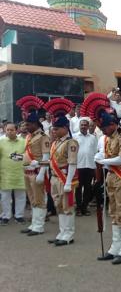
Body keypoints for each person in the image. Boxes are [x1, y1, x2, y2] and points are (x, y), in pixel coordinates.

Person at [86, 93, 121, 265]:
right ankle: (115, 247)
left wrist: (102, 160)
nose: (103, 132)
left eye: (105, 128)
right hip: (111, 177)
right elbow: (106, 154)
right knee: (113, 213)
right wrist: (100, 156)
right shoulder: (108, 138)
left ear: (113, 124)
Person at [45, 98, 79, 246]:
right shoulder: (56, 143)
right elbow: (52, 161)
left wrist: (68, 182)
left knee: (67, 207)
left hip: (65, 177)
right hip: (54, 177)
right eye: (53, 129)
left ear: (65, 128)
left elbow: (72, 163)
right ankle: (62, 232)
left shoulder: (71, 143)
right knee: (59, 206)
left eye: (57, 128)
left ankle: (69, 234)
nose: (54, 131)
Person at [16, 96, 50, 236]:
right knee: (32, 199)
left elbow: (46, 157)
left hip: (37, 172)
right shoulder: (29, 137)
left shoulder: (43, 137)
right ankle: (34, 224)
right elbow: (27, 155)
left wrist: (42, 173)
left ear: (35, 124)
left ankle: (39, 226)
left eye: (28, 125)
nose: (25, 127)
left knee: (39, 199)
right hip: (27, 171)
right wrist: (17, 157)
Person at [0, 123, 26, 225]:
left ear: (17, 130)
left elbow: (27, 156)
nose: (9, 132)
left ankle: (19, 216)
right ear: (5, 131)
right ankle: (6, 215)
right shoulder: (1, 142)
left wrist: (18, 157)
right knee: (5, 196)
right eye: (8, 130)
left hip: (20, 173)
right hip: (5, 173)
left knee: (20, 195)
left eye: (12, 130)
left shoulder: (23, 142)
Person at [74, 118, 98, 216]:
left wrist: (96, 166)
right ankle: (78, 208)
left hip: (90, 165)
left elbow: (96, 151)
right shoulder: (74, 137)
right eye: (82, 125)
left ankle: (85, 207)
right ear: (79, 126)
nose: (83, 126)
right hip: (78, 166)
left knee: (88, 188)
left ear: (88, 127)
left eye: (85, 125)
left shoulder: (92, 137)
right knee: (78, 188)